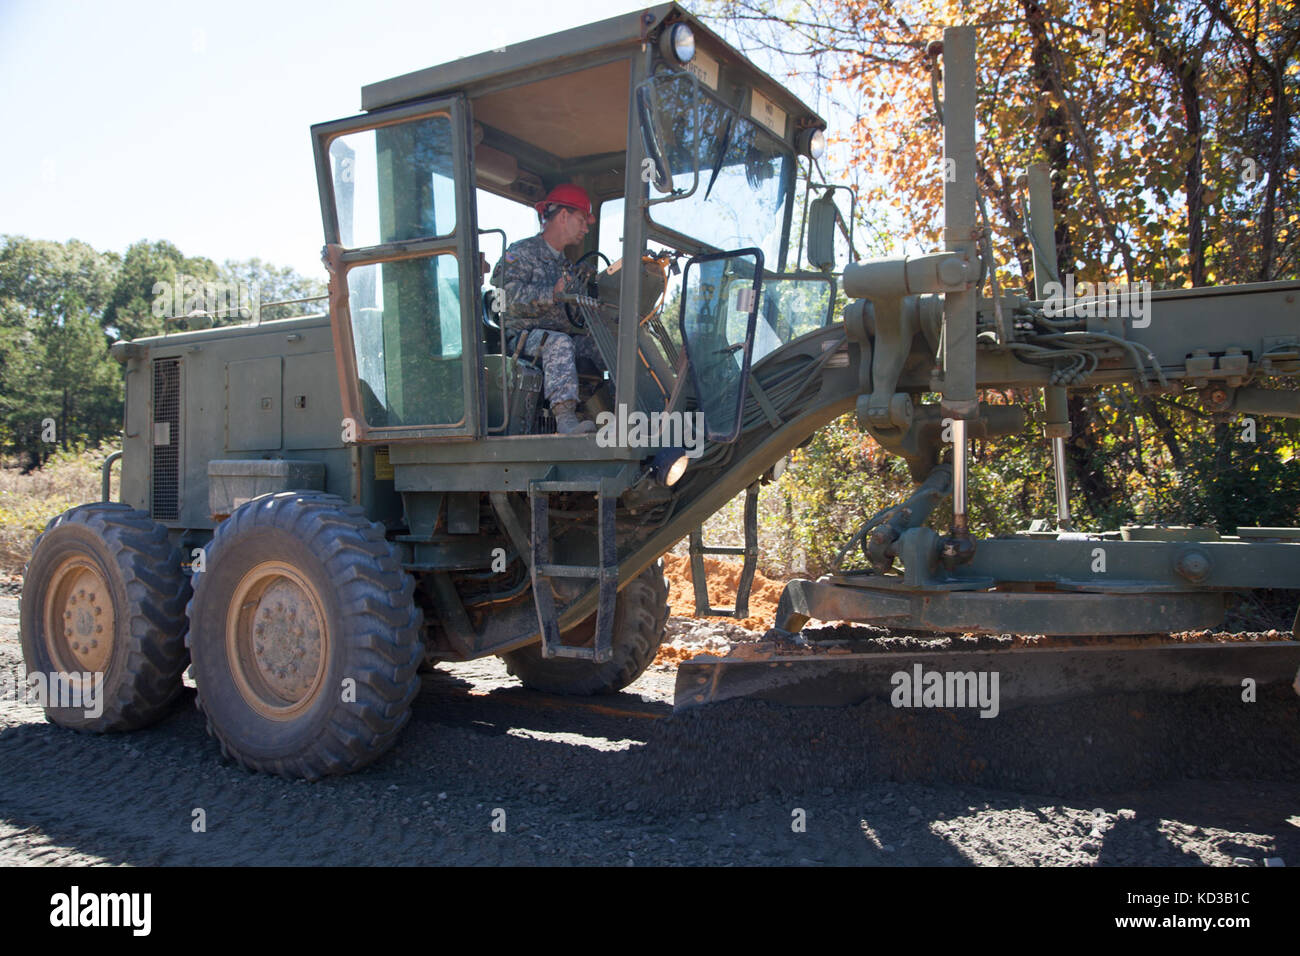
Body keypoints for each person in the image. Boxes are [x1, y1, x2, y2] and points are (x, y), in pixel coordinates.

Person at [491, 183, 603, 436]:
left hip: (557, 336)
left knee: (604, 343)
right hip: (521, 340)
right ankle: (565, 420)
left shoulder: (565, 264)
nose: (586, 228)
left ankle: (618, 411)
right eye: (582, 219)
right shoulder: (520, 253)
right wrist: (550, 294)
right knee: (559, 343)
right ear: (563, 216)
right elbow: (502, 300)